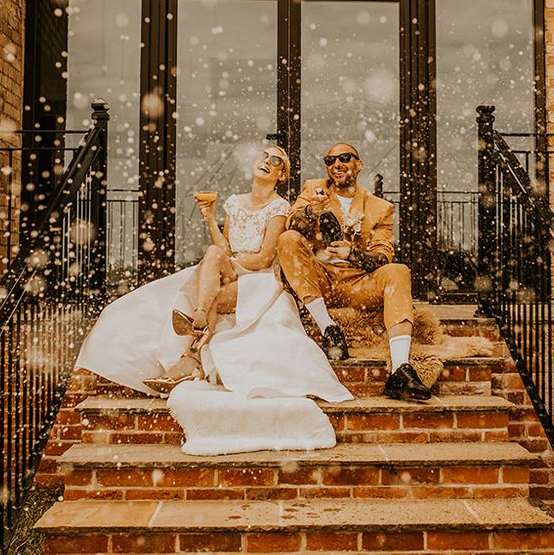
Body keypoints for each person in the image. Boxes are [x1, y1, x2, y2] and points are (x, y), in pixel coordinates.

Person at [75, 146, 352, 407]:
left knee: (212, 290)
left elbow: (265, 258)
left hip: (258, 278)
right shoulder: (234, 203)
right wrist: (209, 218)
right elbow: (224, 248)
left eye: (276, 160)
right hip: (229, 268)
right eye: (263, 156)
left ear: (282, 175)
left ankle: (191, 350)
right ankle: (198, 324)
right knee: (211, 253)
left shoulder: (279, 207)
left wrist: (231, 264)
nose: (267, 161)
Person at [277, 142, 431, 401]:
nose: (336, 164)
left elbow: (383, 257)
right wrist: (309, 211)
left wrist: (354, 254)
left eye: (344, 158)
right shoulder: (314, 189)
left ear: (358, 165)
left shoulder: (380, 207)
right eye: (330, 160)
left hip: (359, 283)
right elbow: (291, 223)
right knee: (288, 239)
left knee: (399, 271)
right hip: (320, 279)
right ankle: (329, 329)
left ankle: (401, 369)